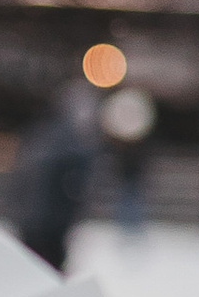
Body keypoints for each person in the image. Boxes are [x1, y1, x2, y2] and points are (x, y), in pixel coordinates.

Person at [10, 82, 97, 274]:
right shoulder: (71, 144)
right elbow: (73, 187)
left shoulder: (39, 134)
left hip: (31, 220)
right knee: (48, 272)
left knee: (33, 271)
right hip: (50, 223)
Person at [98, 82, 156, 240]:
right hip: (128, 169)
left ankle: (131, 227)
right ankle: (128, 226)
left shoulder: (136, 141)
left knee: (131, 197)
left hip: (132, 169)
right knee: (129, 197)